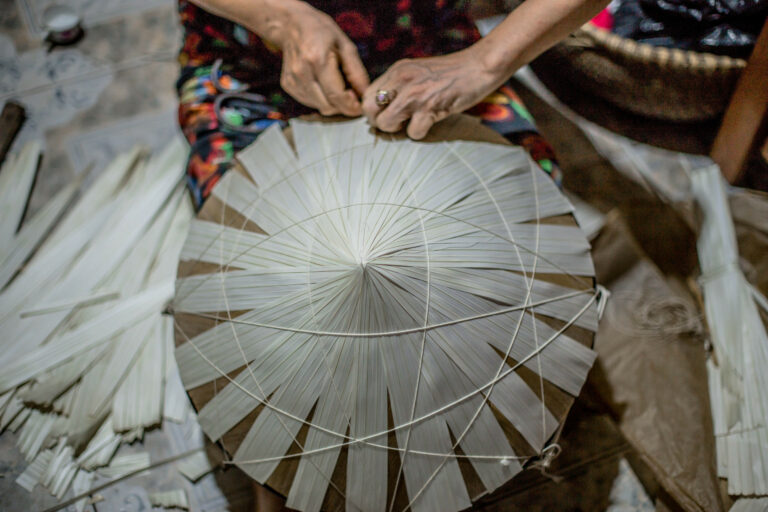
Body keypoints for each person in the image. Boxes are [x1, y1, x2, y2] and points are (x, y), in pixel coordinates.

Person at [176, 0, 608, 208]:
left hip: (427, 45)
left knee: (523, 212)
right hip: (252, 59)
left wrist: (484, 63)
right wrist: (284, 20)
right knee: (244, 246)